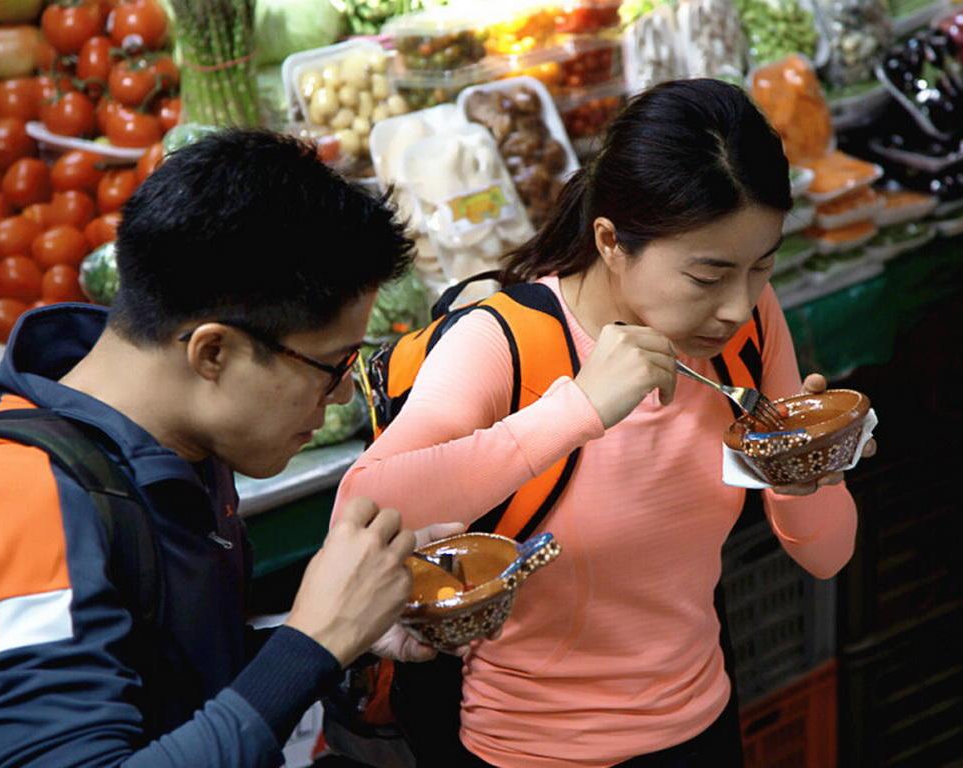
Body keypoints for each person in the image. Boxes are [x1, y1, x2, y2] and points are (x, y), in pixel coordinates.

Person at [333, 79, 873, 767]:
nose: (739, 304)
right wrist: (578, 410)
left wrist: (804, 478)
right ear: (612, 241)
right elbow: (364, 499)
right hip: (524, 750)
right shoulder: (507, 343)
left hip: (699, 725)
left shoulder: (745, 334)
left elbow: (826, 556)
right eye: (707, 278)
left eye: (761, 268)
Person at [0, 130, 457, 767]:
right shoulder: (23, 502)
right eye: (331, 363)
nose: (346, 392)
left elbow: (175, 680)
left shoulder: (184, 440)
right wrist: (314, 640)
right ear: (213, 352)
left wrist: (349, 632)